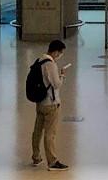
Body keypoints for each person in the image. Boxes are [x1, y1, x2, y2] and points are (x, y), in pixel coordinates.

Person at [31, 39, 69, 172]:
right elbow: (56, 84)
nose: (60, 55)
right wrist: (62, 75)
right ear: (56, 51)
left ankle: (36, 157)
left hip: (40, 102)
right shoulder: (50, 64)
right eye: (60, 53)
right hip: (51, 104)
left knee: (37, 131)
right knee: (50, 133)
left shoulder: (39, 60)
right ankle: (52, 161)